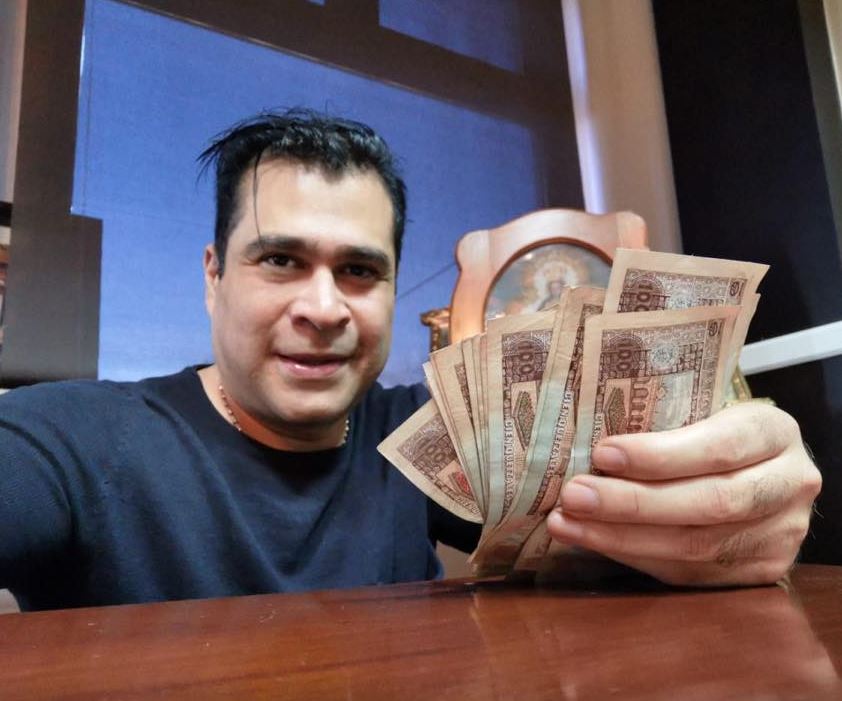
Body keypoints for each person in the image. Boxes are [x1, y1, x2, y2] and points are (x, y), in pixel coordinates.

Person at [0, 110, 821, 611]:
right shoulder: (73, 441)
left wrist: (739, 501)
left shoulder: (429, 435)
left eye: (360, 270)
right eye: (280, 259)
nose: (325, 307)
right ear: (213, 277)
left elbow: (628, 532)